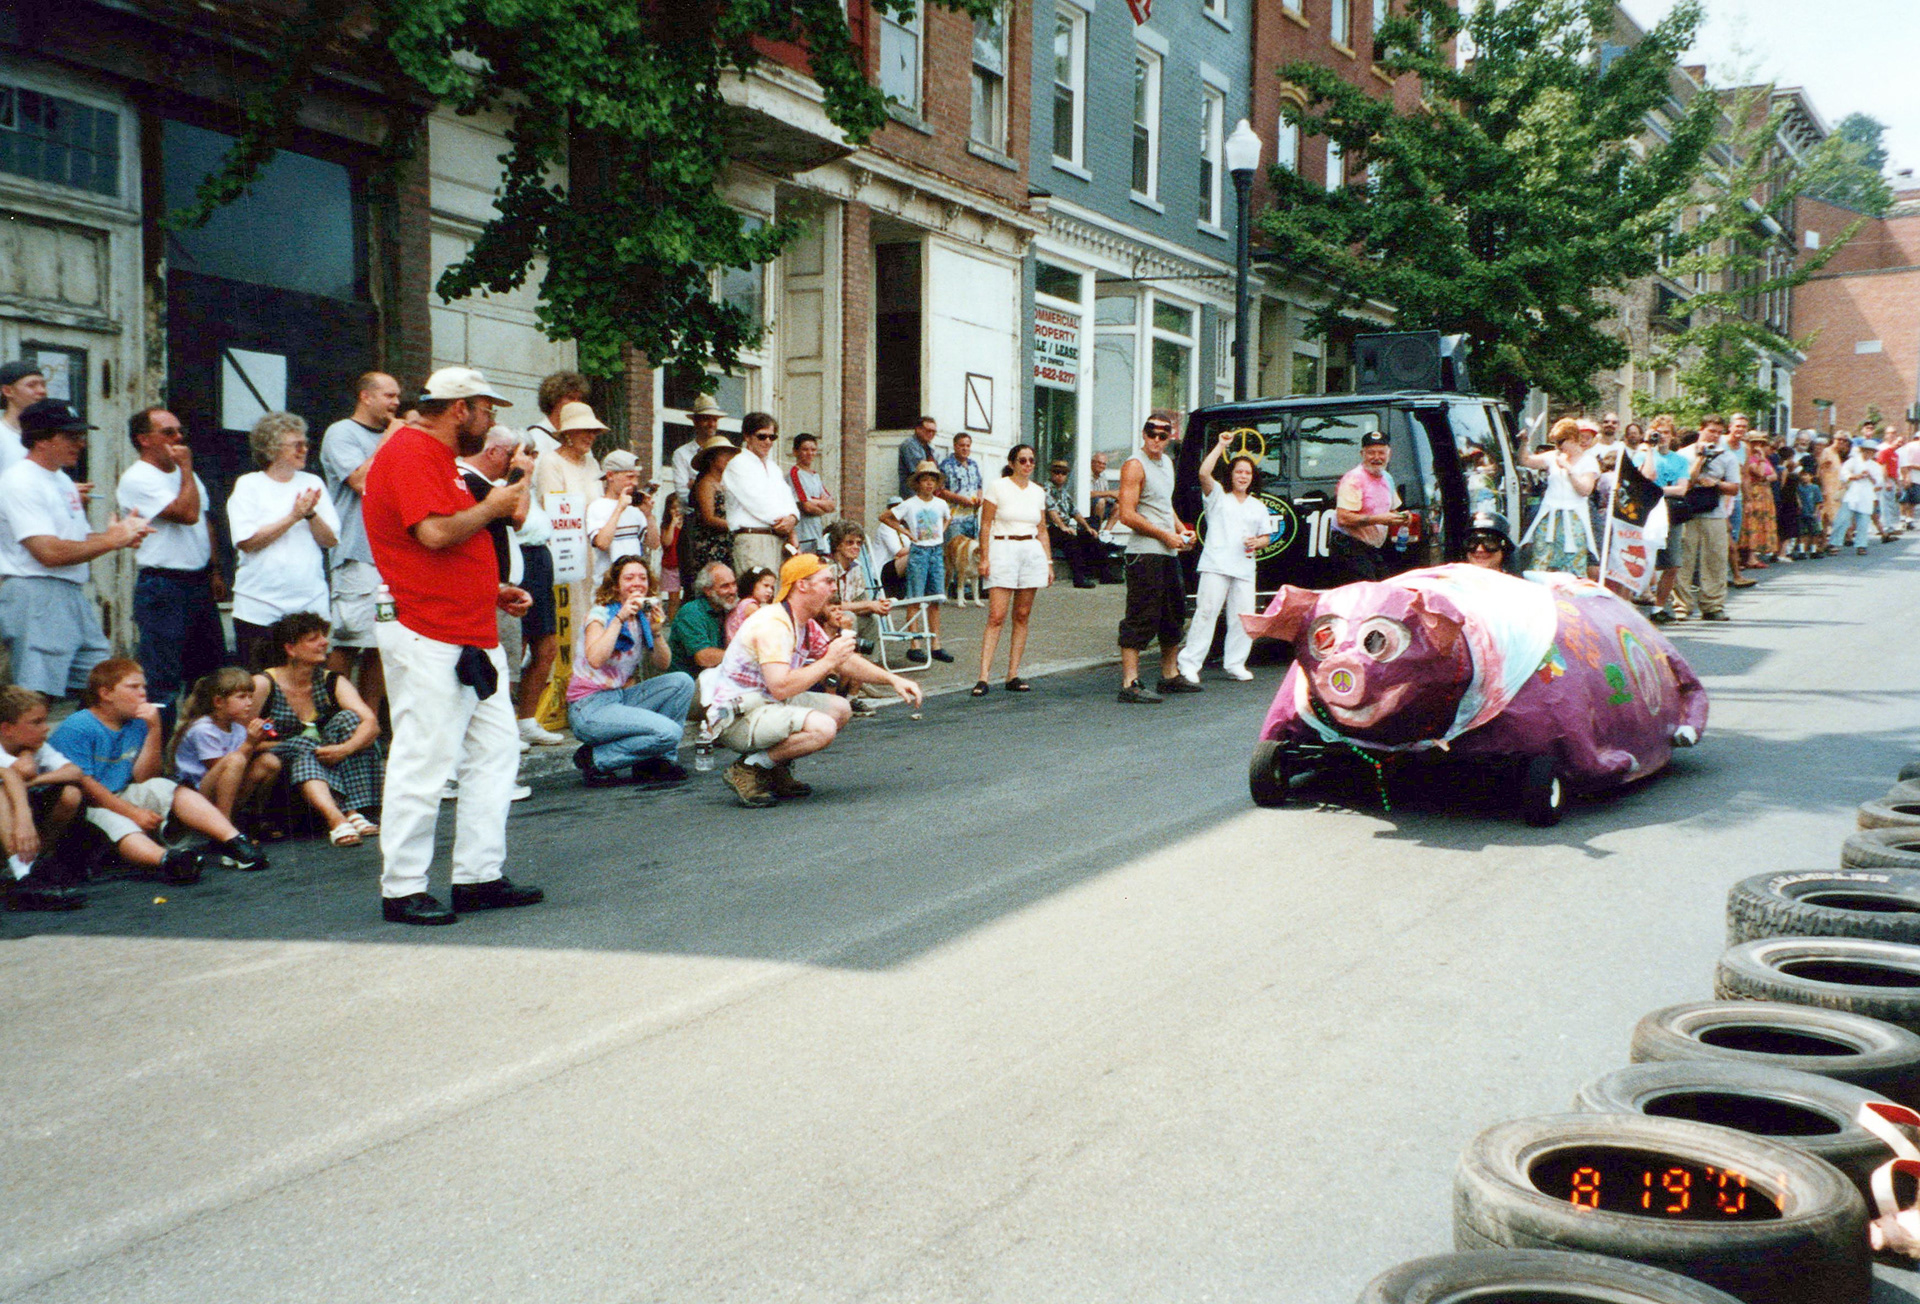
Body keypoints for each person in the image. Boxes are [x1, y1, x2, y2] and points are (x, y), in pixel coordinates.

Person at [363, 366, 540, 926]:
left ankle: (478, 876)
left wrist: (490, 590)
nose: (490, 423)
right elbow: (435, 533)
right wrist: (496, 505)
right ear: (461, 408)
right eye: (487, 410)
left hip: (465, 628)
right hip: (428, 629)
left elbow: (442, 542)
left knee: (495, 754)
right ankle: (402, 887)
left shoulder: (437, 458)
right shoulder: (412, 452)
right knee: (424, 760)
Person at [705, 554, 923, 808]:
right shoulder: (774, 624)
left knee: (840, 708)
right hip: (737, 716)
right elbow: (781, 686)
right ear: (802, 585)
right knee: (822, 728)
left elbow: (845, 661)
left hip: (765, 703)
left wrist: (892, 679)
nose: (834, 588)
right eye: (827, 581)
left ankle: (774, 768)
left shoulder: (804, 622)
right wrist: (829, 661)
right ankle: (749, 767)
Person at [51, 658, 266, 883]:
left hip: (120, 792)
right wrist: (133, 813)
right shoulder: (78, 726)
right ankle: (167, 860)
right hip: (87, 803)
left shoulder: (137, 721)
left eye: (143, 686)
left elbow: (146, 777)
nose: (143, 693)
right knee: (119, 824)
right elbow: (85, 784)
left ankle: (232, 840)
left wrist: (154, 728)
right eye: (133, 687)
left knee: (166, 787)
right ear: (106, 694)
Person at [0, 400, 150, 696]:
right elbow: (48, 552)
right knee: (35, 695)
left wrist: (117, 535)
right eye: (70, 436)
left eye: (81, 435)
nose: (81, 443)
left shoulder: (62, 480)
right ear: (42, 439)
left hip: (70, 592)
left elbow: (77, 540)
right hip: (35, 592)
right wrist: (112, 540)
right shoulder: (20, 481)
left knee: (103, 686)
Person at [118, 406, 229, 711]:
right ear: (144, 439)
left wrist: (215, 570)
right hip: (163, 584)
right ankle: (158, 739)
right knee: (162, 677)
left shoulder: (185, 475)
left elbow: (204, 521)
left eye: (180, 431)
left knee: (209, 676)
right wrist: (187, 468)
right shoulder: (138, 478)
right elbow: (186, 514)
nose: (178, 438)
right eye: (168, 432)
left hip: (198, 581)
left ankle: (199, 739)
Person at [252, 612, 385, 846]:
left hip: (326, 767)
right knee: (307, 744)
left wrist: (345, 748)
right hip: (280, 777)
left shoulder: (331, 680)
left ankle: (351, 813)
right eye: (313, 639)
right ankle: (340, 817)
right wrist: (294, 744)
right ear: (290, 649)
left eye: (323, 636)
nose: (324, 642)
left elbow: (370, 723)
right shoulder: (263, 683)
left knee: (350, 719)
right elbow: (237, 740)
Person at [566, 555, 696, 788]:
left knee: (682, 682)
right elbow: (595, 659)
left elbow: (663, 664)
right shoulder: (601, 614)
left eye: (642, 578)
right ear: (616, 585)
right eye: (629, 578)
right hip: (588, 706)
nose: (637, 583)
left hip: (619, 697)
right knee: (670, 733)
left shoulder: (641, 618)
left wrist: (656, 632)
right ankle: (597, 759)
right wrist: (620, 618)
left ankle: (659, 761)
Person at [227, 411, 340, 670]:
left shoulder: (313, 482)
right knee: (260, 682)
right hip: (259, 608)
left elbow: (330, 540)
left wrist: (310, 514)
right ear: (272, 448)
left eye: (305, 443)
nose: (304, 450)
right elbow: (247, 542)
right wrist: (293, 516)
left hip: (309, 606)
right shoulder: (249, 485)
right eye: (296, 445)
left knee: (307, 683)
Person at [320, 372, 401, 725]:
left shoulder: (392, 433)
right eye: (389, 395)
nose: (396, 403)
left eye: (397, 396)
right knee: (348, 641)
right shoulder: (342, 433)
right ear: (365, 396)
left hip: (391, 557)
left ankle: (370, 725)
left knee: (382, 644)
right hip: (357, 554)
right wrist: (392, 436)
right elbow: (362, 480)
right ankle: (333, 720)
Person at [1175, 431, 1269, 686]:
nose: (1243, 476)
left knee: (1243, 617)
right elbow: (1204, 473)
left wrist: (1257, 542)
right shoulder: (1217, 495)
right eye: (1239, 472)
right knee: (1206, 613)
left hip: (1244, 568)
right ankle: (1189, 663)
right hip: (1216, 565)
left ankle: (1235, 663)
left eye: (1247, 473)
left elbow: (1266, 537)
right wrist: (1220, 445)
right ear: (1231, 474)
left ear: (1252, 477)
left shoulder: (1258, 506)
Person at [1114, 414, 1195, 704]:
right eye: (1152, 433)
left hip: (1167, 551)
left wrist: (1180, 530)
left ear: (1170, 437)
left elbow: (1163, 504)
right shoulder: (1135, 465)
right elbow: (1127, 514)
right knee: (1141, 615)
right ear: (1143, 433)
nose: (1156, 440)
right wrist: (1164, 535)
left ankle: (1169, 675)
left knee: (1173, 614)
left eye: (1163, 434)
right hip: (1145, 552)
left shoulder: (1167, 463)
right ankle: (1130, 683)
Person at [972, 443, 1052, 695]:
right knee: (996, 616)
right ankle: (983, 677)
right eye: (1022, 460)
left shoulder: (1038, 492)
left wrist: (1049, 562)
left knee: (1022, 614)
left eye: (1031, 460)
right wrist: (984, 558)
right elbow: (986, 525)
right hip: (1003, 549)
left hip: (1030, 551)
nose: (1027, 465)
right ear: (1012, 463)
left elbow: (1042, 529)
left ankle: (1013, 674)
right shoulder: (998, 487)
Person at [0, 685, 87, 911]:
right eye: (36, 722)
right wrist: (24, 820)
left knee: (71, 793)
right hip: (7, 820)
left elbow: (75, 772)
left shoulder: (34, 746)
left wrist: (33, 776)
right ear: (7, 729)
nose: (46, 728)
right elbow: (16, 773)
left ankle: (35, 865)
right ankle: (23, 874)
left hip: (18, 828)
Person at [171, 667, 280, 825]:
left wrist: (256, 741)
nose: (249, 703)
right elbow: (222, 768)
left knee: (269, 762)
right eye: (241, 697)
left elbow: (242, 762)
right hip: (195, 794)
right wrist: (250, 743)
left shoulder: (237, 728)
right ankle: (223, 825)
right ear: (219, 702)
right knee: (235, 760)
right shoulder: (203, 729)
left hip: (223, 791)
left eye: (250, 697)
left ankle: (255, 818)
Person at [888, 461, 953, 663]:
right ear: (918, 483)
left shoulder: (941, 504)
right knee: (915, 597)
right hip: (919, 552)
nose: (929, 484)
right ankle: (914, 643)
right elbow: (886, 517)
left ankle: (936, 644)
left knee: (936, 598)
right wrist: (907, 532)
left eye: (932, 480)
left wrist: (942, 532)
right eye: (925, 480)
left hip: (936, 551)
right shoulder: (910, 504)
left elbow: (948, 518)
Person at [1675, 423, 1740, 622]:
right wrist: (1700, 458)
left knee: (1715, 560)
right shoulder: (1683, 455)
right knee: (1683, 559)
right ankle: (1682, 606)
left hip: (1714, 512)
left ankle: (1713, 606)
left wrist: (1716, 483)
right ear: (1701, 429)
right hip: (1687, 512)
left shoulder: (1727, 456)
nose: (1715, 436)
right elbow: (1683, 483)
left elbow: (1734, 488)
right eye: (1711, 431)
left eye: (1719, 432)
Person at [1517, 419, 1597, 576]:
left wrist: (1568, 468)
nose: (1558, 447)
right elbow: (1526, 461)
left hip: (1574, 516)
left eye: (1561, 442)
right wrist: (1524, 443)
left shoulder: (1588, 461)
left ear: (1573, 438)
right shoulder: (1553, 456)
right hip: (1550, 514)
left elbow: (1585, 490)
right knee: (1541, 555)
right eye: (1555, 442)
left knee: (1573, 559)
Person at [723, 412, 798, 575]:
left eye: (772, 437)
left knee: (775, 589)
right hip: (752, 539)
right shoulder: (737, 464)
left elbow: (787, 498)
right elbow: (757, 502)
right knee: (755, 589)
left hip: (777, 539)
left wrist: (793, 517)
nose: (768, 442)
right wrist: (784, 522)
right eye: (762, 436)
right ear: (747, 436)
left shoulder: (774, 468)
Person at [586, 449, 657, 582]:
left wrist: (648, 515)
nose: (635, 483)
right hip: (607, 583)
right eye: (629, 477)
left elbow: (654, 544)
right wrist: (619, 508)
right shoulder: (597, 506)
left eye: (636, 477)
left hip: (633, 580)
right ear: (610, 475)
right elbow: (602, 543)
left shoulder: (634, 507)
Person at [824, 521, 893, 650]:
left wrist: (878, 606)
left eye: (859, 543)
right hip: (825, 618)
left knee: (872, 619)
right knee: (849, 616)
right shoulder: (828, 568)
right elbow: (830, 606)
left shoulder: (857, 568)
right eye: (849, 542)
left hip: (845, 615)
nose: (856, 547)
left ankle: (870, 661)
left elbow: (859, 603)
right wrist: (869, 604)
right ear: (838, 545)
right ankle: (848, 658)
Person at [682, 438, 739, 591]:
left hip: (727, 543)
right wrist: (736, 525)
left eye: (730, 455)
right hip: (710, 544)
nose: (728, 459)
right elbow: (709, 518)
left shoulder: (726, 483)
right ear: (711, 459)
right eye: (724, 454)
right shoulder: (706, 484)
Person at [667, 561, 739, 680]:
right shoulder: (691, 612)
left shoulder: (727, 609)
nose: (733, 591)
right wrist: (742, 656)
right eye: (725, 586)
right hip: (690, 683)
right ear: (708, 591)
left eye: (734, 584)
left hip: (718, 678)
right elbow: (704, 657)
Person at [1044, 459, 1101, 588]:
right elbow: (1052, 512)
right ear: (1051, 473)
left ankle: (1102, 574)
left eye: (1063, 473)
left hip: (1064, 527)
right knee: (1070, 541)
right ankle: (1079, 578)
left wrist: (1088, 528)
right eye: (1056, 472)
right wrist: (1063, 527)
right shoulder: (1046, 490)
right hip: (1050, 528)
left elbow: (1074, 511)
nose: (1060, 475)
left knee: (1089, 536)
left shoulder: (1064, 492)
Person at [669, 392, 728, 500]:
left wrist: (695, 485)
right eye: (706, 419)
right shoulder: (682, 454)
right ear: (695, 422)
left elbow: (730, 487)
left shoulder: (724, 452)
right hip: (693, 510)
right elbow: (682, 494)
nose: (711, 424)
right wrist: (707, 493)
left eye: (714, 420)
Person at [1831, 437, 1881, 556]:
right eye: (1867, 450)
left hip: (1866, 495)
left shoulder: (1875, 465)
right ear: (1862, 450)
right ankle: (1834, 543)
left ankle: (1861, 544)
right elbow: (1844, 473)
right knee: (1842, 519)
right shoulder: (1853, 461)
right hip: (1852, 493)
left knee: (1863, 522)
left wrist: (1870, 476)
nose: (1869, 453)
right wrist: (1855, 476)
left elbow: (1878, 482)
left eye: (1871, 451)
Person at [787, 433, 835, 554]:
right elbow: (807, 507)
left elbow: (832, 505)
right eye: (805, 449)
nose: (810, 453)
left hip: (817, 535)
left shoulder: (815, 476)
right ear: (795, 452)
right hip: (803, 537)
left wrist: (814, 501)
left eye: (813, 450)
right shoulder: (795, 474)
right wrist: (821, 504)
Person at [1738, 429, 1779, 570]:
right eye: (1755, 443)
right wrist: (1761, 459)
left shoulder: (1763, 459)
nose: (1758, 446)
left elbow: (1774, 475)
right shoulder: (1749, 458)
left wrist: (1765, 476)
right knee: (1751, 522)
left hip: (1765, 493)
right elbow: (1760, 472)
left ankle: (1754, 554)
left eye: (1761, 444)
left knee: (1761, 521)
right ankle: (1749, 556)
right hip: (1754, 492)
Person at [524, 371, 591, 456]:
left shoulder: (579, 438)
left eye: (579, 399)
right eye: (570, 398)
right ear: (554, 400)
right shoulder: (536, 436)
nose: (576, 403)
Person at [0, 359, 49, 473]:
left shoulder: (46, 435)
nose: (42, 391)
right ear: (8, 391)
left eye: (43, 385)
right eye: (32, 385)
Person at [938, 432, 986, 541]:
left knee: (971, 549)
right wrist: (961, 500)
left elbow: (979, 486)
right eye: (962, 445)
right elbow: (941, 491)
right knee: (955, 549)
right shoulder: (946, 465)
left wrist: (979, 498)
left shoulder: (973, 465)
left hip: (972, 519)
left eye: (968, 445)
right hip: (954, 520)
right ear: (955, 446)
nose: (965, 448)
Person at [726, 566, 778, 641]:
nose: (770, 591)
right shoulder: (751, 607)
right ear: (752, 584)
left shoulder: (743, 603)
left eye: (772, 587)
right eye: (765, 585)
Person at [897, 415, 940, 499]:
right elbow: (921, 470)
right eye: (928, 431)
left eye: (934, 432)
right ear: (918, 429)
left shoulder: (929, 447)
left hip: (926, 494)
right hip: (913, 495)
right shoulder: (909, 445)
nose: (931, 434)